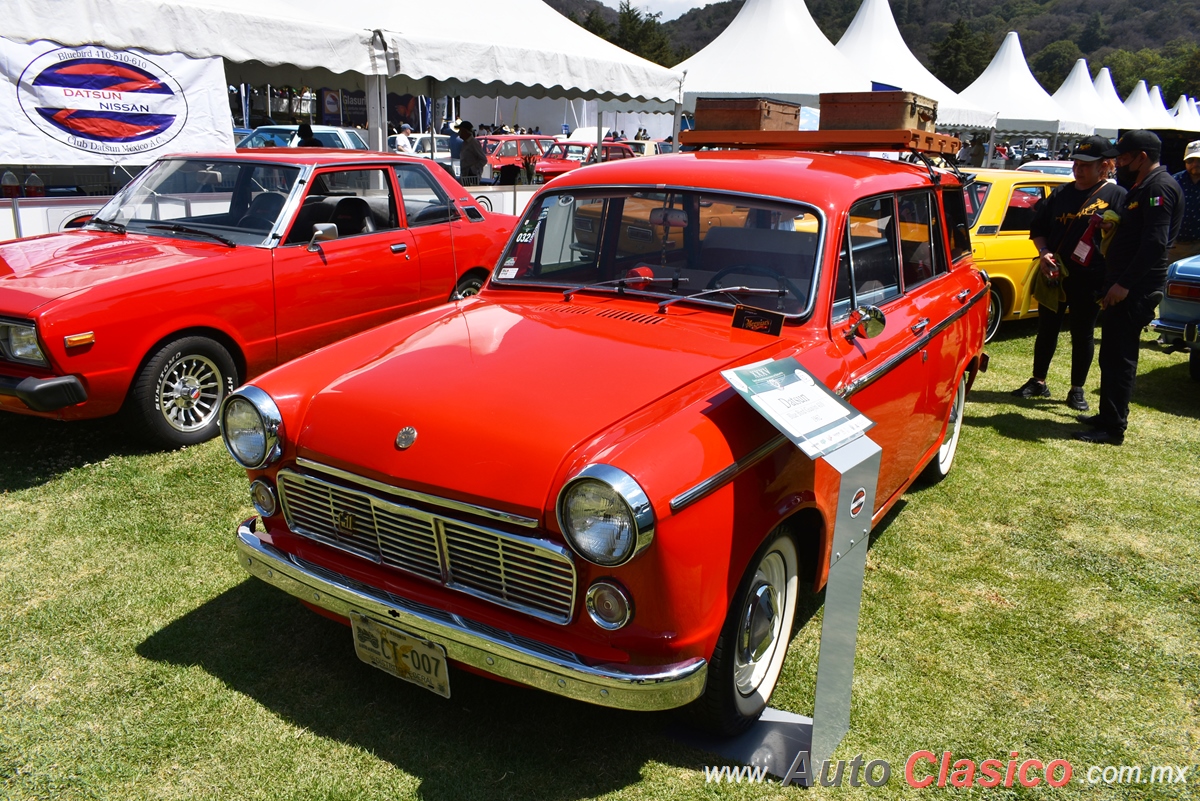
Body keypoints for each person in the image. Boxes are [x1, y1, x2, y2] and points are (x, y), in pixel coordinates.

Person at [1076, 130, 1184, 445]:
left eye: (1124, 157)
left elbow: (1154, 244)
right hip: (1125, 283)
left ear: (1142, 156)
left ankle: (1112, 428)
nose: (1119, 162)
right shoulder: (1143, 186)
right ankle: (1108, 415)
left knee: (1120, 356)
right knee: (1111, 353)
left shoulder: (1158, 188)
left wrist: (1123, 284)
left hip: (1135, 288)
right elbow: (1140, 233)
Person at [1011, 136, 1126, 411]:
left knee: (1082, 333)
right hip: (1055, 273)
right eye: (1076, 162)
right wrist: (1044, 252)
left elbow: (1125, 238)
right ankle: (1038, 381)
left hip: (1091, 276)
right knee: (1046, 329)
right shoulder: (1060, 194)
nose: (1079, 168)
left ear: (1105, 166)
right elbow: (1038, 229)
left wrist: (1111, 231)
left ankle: (1077, 389)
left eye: (1086, 164)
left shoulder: (1116, 195)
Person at [1170, 139, 1200, 261]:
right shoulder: (1174, 181)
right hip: (1174, 246)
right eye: (1190, 160)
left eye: (1199, 160)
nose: (1195, 164)